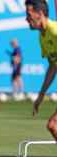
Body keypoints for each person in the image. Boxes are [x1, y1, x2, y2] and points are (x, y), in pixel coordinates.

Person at [25, 0, 57, 141]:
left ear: (40, 13)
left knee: (54, 124)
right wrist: (41, 96)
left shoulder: (55, 31)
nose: (26, 19)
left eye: (29, 14)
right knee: (53, 126)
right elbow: (52, 66)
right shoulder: (42, 37)